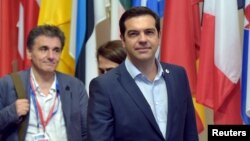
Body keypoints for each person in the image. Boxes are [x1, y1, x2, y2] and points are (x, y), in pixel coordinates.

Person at [87, 6, 199, 141]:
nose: (143, 39)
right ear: (123, 40)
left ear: (159, 35)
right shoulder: (104, 86)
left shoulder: (178, 75)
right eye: (134, 34)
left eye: (149, 32)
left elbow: (190, 133)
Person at [0, 25, 88, 141]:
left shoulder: (76, 86)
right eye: (44, 49)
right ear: (29, 52)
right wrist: (11, 112)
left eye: (56, 50)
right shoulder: (8, 84)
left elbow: (87, 131)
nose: (51, 56)